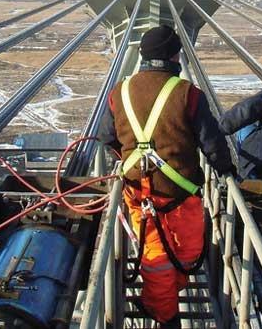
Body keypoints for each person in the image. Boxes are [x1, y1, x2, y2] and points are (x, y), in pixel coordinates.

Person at [97, 25, 234, 329]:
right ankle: (165, 314)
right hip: (181, 193)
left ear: (143, 55)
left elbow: (105, 137)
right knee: (178, 255)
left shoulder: (119, 92)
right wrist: (227, 170)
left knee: (156, 257)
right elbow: (211, 141)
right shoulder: (188, 94)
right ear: (175, 55)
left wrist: (131, 159)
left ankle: (163, 300)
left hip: (138, 192)